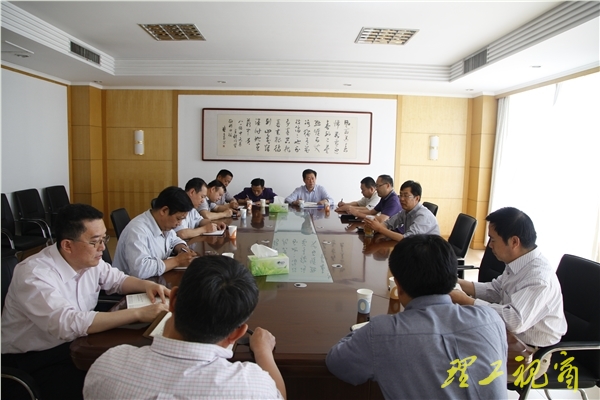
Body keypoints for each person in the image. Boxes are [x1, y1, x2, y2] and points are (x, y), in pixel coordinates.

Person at [1, 204, 170, 400]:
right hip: (33, 359)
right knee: (108, 388)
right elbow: (67, 323)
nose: (102, 248)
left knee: (129, 369)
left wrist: (147, 285)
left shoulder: (87, 260)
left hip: (75, 343)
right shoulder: (34, 274)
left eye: (104, 239)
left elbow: (117, 280)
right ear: (67, 245)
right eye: (95, 242)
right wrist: (138, 313)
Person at [326, 235, 507, 399]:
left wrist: (366, 333)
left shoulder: (383, 332)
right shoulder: (491, 319)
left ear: (398, 285)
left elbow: (338, 363)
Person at [83, 256, 286, 399]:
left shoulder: (108, 365)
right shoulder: (251, 388)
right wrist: (263, 351)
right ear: (237, 333)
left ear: (172, 300)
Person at [450, 207, 567, 350]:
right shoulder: (519, 262)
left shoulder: (538, 279)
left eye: (493, 239)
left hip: (531, 350)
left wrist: (466, 300)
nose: (490, 245)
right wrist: (454, 281)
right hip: (508, 335)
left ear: (514, 242)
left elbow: (514, 321)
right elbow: (495, 290)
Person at [113, 186, 196, 279]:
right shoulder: (137, 230)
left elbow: (174, 239)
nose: (179, 223)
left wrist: (182, 248)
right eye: (178, 218)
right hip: (132, 285)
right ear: (164, 211)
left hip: (154, 280)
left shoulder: (164, 225)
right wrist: (177, 261)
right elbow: (140, 270)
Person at [364, 180, 440, 241]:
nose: (402, 199)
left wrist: (379, 228)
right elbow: (388, 224)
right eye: (401, 195)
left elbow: (407, 239)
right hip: (415, 247)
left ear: (417, 198)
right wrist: (374, 226)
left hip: (429, 252)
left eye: (406, 196)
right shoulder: (405, 211)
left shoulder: (423, 216)